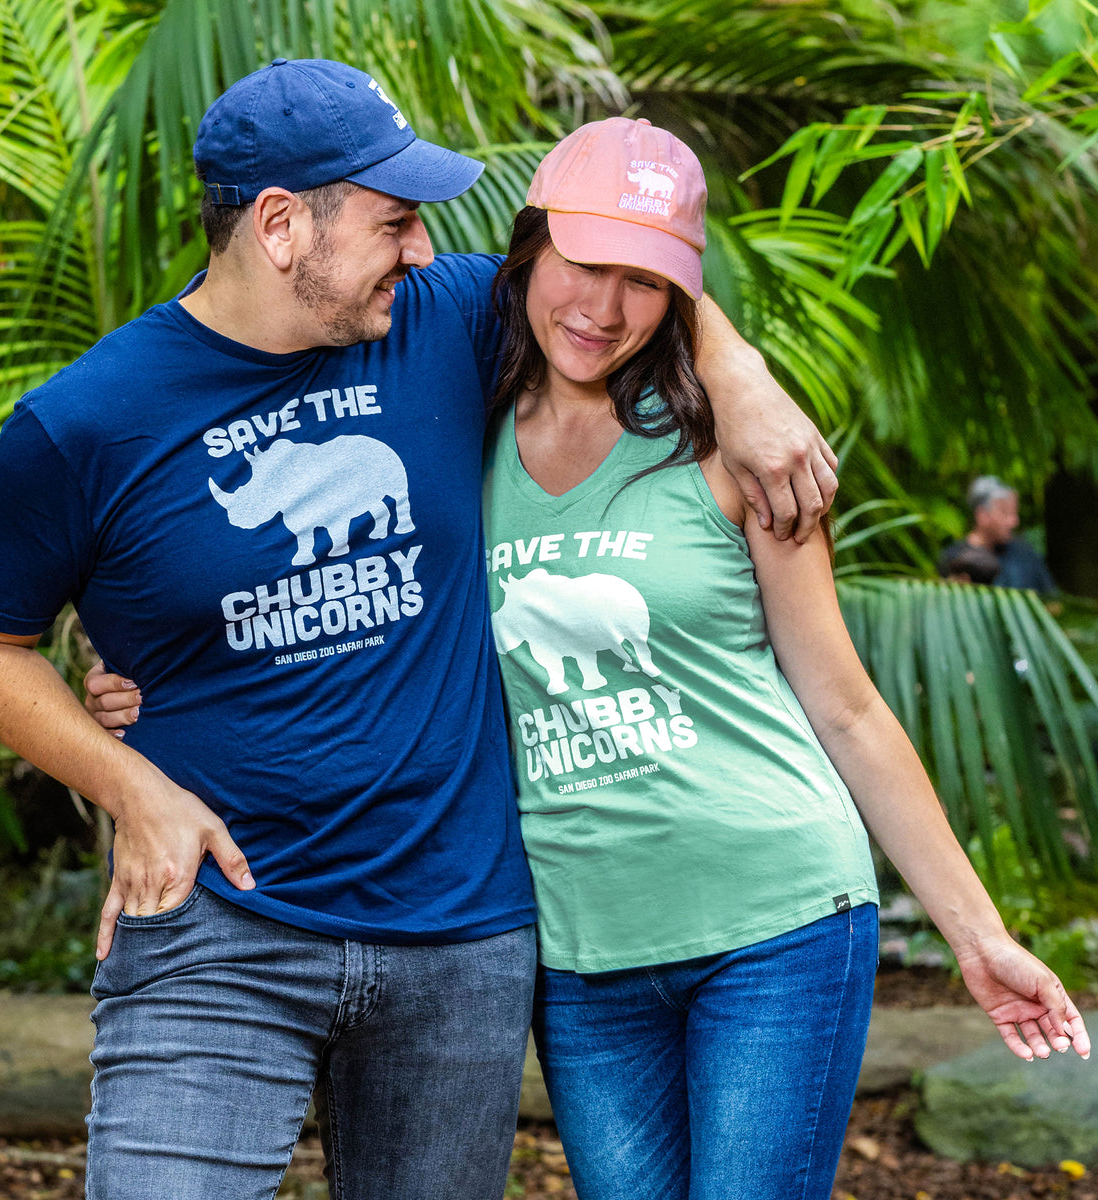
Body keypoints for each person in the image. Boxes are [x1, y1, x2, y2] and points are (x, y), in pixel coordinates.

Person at [84, 113, 1090, 1200]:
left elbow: (845, 708)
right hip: (580, 957)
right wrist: (157, 689)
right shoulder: (456, 432)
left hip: (778, 923)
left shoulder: (737, 451)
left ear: (684, 299)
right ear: (528, 251)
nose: (603, 310)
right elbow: (322, 601)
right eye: (581, 264)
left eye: (645, 283)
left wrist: (979, 939)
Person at [0, 61, 841, 1200]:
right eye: (393, 223)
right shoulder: (85, 424)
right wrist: (127, 783)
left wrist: (743, 378)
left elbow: (615, 286)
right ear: (279, 227)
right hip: (219, 923)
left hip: (458, 935)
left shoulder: (445, 318)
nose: (420, 249)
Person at [938, 474, 1057, 592]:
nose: (1014, 521)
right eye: (1005, 513)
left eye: (1015, 512)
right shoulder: (953, 558)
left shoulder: (1025, 555)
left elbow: (1054, 603)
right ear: (982, 515)